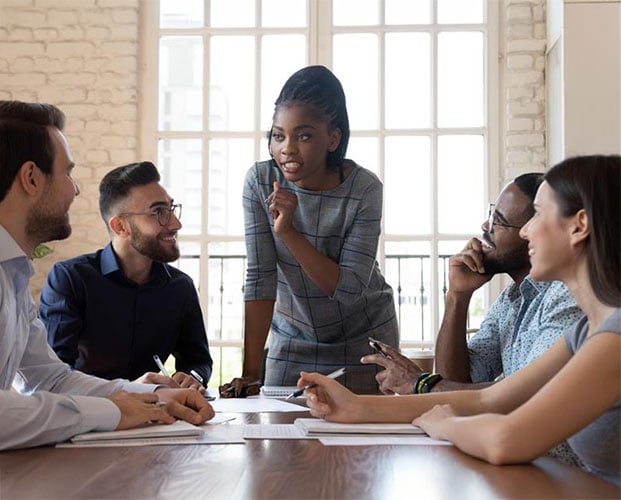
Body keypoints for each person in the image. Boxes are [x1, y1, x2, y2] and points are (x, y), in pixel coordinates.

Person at [299, 155, 621, 485]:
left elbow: (505, 439)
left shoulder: (615, 337)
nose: (526, 230)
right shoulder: (588, 330)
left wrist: (443, 423)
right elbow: (489, 398)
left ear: (579, 226)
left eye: (537, 214)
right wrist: (354, 406)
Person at [0, 100, 213, 450]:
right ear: (32, 178)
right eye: (67, 173)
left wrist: (156, 395)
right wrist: (110, 411)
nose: (75, 189)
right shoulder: (63, 277)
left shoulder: (14, 273)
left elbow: (48, 378)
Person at [222, 65, 399, 396]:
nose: (287, 148)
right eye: (278, 136)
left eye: (303, 136)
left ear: (333, 138)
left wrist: (289, 232)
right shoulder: (259, 182)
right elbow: (260, 276)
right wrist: (250, 373)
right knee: (279, 438)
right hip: (292, 338)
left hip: (365, 338)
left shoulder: (364, 189)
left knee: (359, 445)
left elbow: (347, 290)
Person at [362, 173, 582, 395]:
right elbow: (456, 383)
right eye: (491, 214)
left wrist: (421, 383)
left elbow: (528, 395)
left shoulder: (567, 296)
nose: (486, 226)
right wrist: (457, 296)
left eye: (499, 221)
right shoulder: (511, 299)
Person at [39, 161, 213, 391]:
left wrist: (193, 377)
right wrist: (128, 390)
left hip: (159, 420)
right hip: (88, 419)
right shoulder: (71, 279)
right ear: (120, 226)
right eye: (158, 212)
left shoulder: (180, 287)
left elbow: (198, 361)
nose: (175, 223)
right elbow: (54, 374)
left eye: (171, 209)